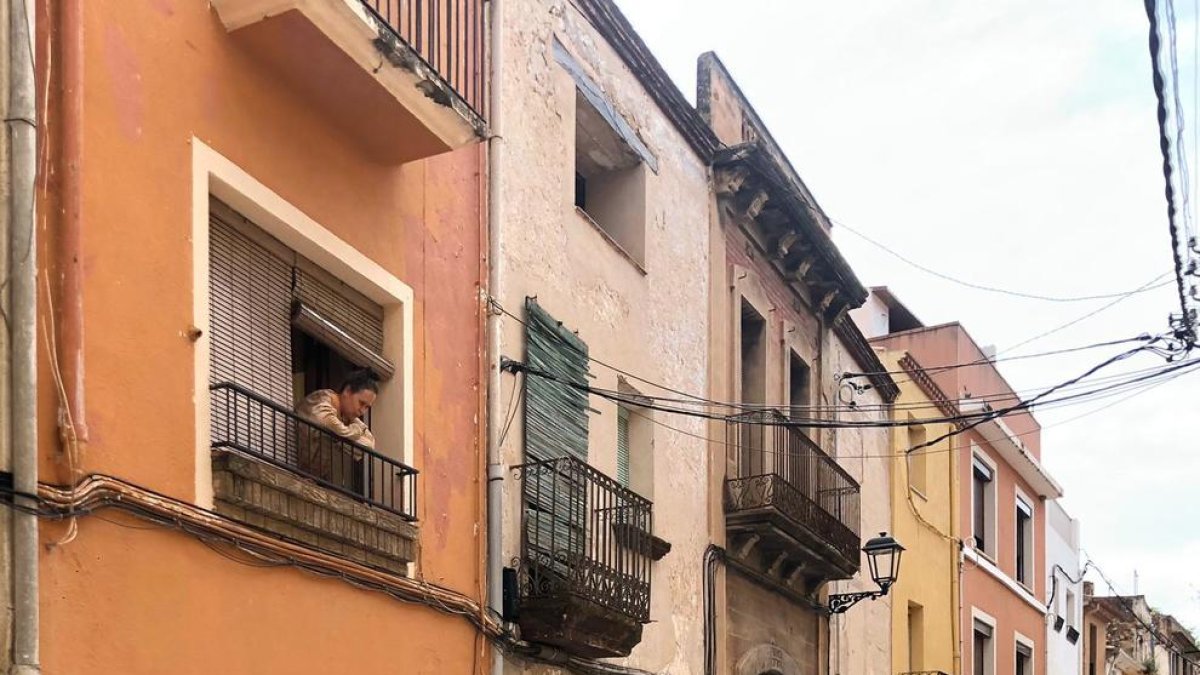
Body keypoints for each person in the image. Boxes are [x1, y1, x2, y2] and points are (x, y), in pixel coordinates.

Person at [296, 369, 378, 490]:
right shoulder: (320, 400)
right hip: (291, 471)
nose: (362, 411)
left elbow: (369, 444)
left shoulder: (348, 417)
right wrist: (354, 431)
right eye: (361, 403)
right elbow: (330, 424)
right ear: (347, 391)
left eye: (367, 407)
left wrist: (342, 434)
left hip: (313, 482)